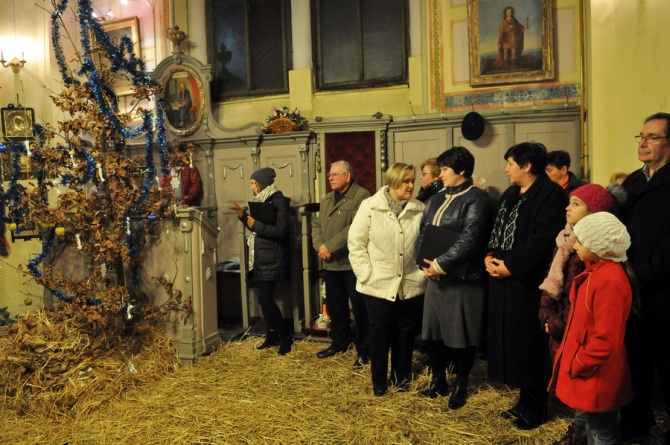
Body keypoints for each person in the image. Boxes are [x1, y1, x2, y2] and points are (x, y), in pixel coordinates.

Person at [485, 142, 567, 430]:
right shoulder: (511, 193)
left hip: (528, 282)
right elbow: (496, 229)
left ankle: (538, 405)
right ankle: (523, 399)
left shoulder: (550, 194)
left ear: (527, 165)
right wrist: (489, 256)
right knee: (514, 342)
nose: (506, 169)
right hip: (503, 279)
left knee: (531, 344)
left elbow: (543, 241)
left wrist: (511, 265)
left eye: (510, 163)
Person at [538, 184, 616, 445]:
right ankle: (579, 431)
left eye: (576, 203)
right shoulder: (565, 240)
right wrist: (547, 315)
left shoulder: (593, 250)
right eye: (569, 202)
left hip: (576, 329)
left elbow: (582, 301)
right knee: (578, 389)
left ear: (593, 211)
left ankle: (582, 432)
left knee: (588, 390)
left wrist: (557, 323)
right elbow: (551, 280)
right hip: (560, 325)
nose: (567, 208)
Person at [417, 146, 493, 409]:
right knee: (432, 334)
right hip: (435, 277)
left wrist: (441, 265)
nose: (441, 174)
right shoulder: (439, 197)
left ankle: (461, 384)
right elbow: (425, 230)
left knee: (462, 335)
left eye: (445, 169)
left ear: (462, 170)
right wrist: (424, 263)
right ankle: (438, 381)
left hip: (463, 279)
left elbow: (470, 239)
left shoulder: (477, 199)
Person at [548, 212, 634, 445]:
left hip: (596, 374)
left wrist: (578, 363)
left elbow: (605, 340)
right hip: (590, 372)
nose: (575, 246)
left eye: (581, 241)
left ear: (599, 245)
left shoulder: (609, 281)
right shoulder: (596, 273)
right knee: (590, 423)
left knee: (602, 431)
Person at [348, 163, 426, 396]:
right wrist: (367, 275)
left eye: (413, 181)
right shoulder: (370, 206)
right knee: (379, 333)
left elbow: (426, 244)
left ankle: (402, 379)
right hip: (377, 285)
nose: (411, 185)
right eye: (405, 181)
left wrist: (421, 274)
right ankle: (379, 382)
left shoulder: (419, 209)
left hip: (410, 284)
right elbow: (356, 243)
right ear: (393, 182)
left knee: (405, 333)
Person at [619, 112, 670, 444]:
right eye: (641, 136)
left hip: (663, 289)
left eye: (652, 137)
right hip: (629, 288)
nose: (643, 143)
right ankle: (636, 426)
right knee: (633, 360)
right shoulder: (632, 182)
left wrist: (641, 271)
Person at [311, 160, 371, 367]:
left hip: (351, 265)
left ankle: (364, 351)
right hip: (330, 264)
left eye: (335, 174)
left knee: (361, 311)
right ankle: (339, 344)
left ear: (347, 176)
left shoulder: (362, 196)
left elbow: (355, 228)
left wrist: (330, 247)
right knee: (336, 309)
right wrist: (320, 246)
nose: (330, 178)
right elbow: (316, 224)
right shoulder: (327, 198)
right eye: (330, 174)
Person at [231, 167, 292, 355]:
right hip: (262, 256)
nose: (251, 187)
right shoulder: (261, 201)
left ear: (262, 184)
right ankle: (271, 335)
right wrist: (243, 217)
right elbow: (257, 227)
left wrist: (253, 223)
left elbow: (280, 231)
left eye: (253, 183)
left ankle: (285, 338)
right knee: (263, 299)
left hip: (272, 256)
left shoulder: (278, 201)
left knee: (265, 299)